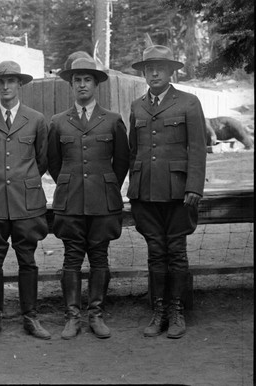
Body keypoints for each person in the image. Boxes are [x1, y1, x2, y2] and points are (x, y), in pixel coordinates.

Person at [127, 45, 207, 339]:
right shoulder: (136, 106)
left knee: (176, 252)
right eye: (149, 68)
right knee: (155, 253)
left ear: (171, 71)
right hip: (145, 192)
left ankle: (176, 312)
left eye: (160, 67)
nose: (155, 73)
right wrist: (131, 186)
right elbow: (133, 150)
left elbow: (198, 148)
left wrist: (194, 186)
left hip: (178, 193)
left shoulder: (188, 102)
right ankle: (158, 311)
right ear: (144, 73)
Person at [48, 57, 130, 340]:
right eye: (77, 80)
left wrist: (104, 187)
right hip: (70, 201)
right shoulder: (58, 122)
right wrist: (73, 185)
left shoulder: (112, 120)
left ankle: (96, 315)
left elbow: (121, 162)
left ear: (96, 85)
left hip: (102, 201)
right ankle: (72, 317)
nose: (82, 85)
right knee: (71, 259)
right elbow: (54, 163)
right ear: (71, 85)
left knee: (99, 258)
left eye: (87, 80)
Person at [0, 60, 51, 341]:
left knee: (27, 260)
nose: (6, 86)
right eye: (1, 82)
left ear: (20, 85)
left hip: (26, 200)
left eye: (11, 81)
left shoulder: (37, 119)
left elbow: (42, 160)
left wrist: (23, 181)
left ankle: (30, 317)